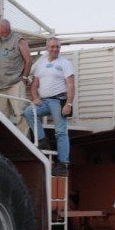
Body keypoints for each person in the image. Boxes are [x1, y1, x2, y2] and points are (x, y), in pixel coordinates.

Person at [24, 37, 75, 177]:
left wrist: (68, 104)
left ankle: (63, 164)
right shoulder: (40, 64)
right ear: (47, 48)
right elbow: (34, 85)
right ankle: (42, 140)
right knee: (29, 112)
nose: (55, 49)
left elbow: (71, 84)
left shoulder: (65, 63)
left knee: (61, 132)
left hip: (59, 101)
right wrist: (35, 97)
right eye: (52, 47)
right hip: (45, 101)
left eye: (57, 47)